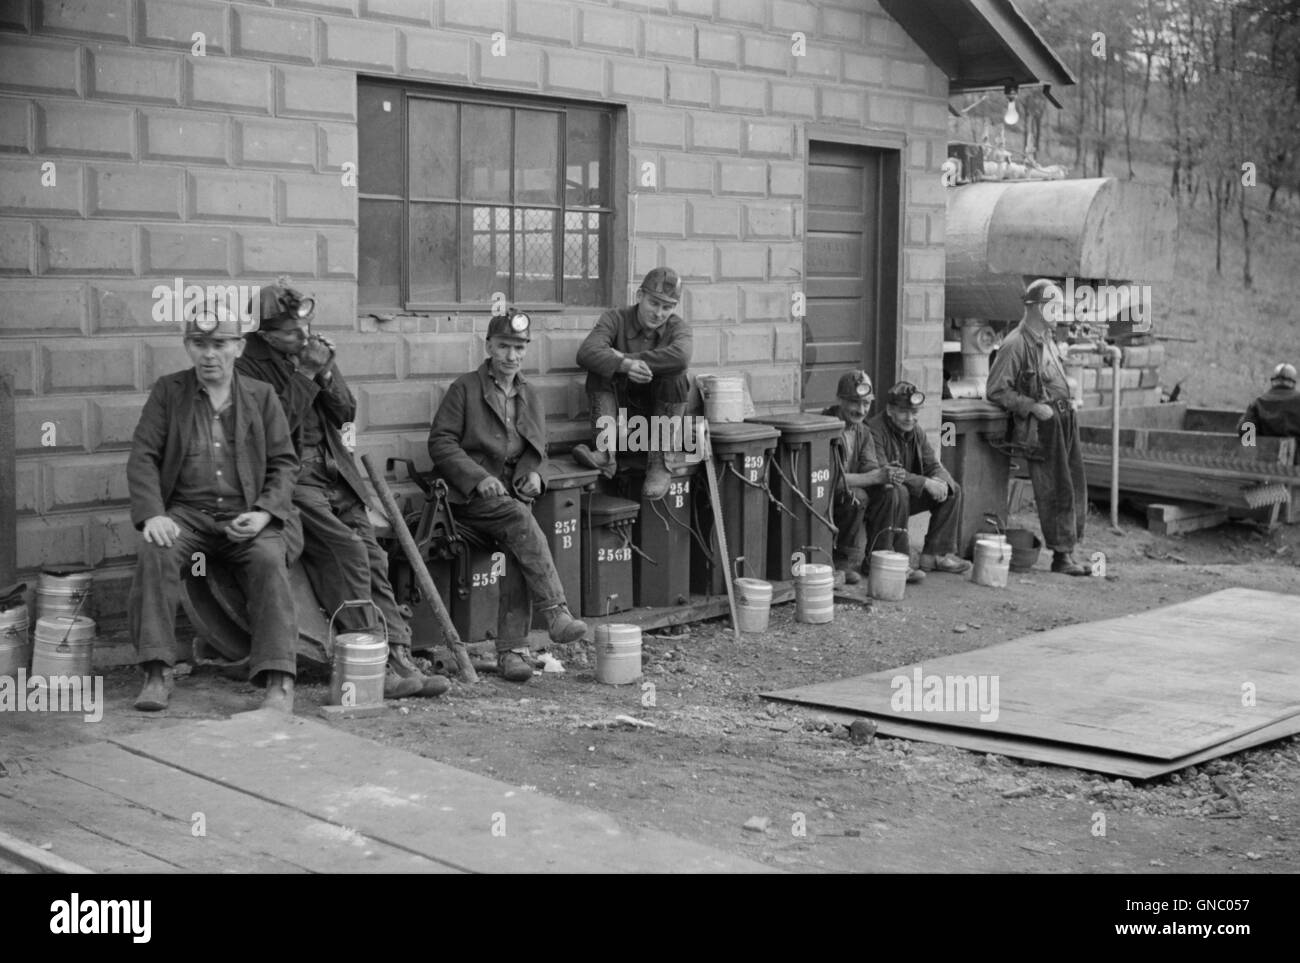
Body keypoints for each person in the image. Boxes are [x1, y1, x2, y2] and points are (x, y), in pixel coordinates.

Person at [236, 280, 445, 699]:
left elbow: (346, 411)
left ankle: (398, 654)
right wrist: (308, 372)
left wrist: (327, 370)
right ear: (265, 335)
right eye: (293, 331)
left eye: (307, 327)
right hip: (292, 480)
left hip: (337, 475)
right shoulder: (247, 370)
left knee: (372, 555)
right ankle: (367, 660)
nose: (305, 337)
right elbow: (273, 431)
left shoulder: (309, 351)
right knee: (345, 550)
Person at [126, 298, 299, 712]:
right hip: (188, 516)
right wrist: (153, 514)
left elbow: (284, 463)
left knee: (269, 563)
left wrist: (262, 513)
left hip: (246, 516)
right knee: (156, 552)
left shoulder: (262, 396)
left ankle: (278, 681)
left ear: (239, 347)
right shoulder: (170, 392)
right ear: (188, 346)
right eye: (199, 343)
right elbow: (144, 455)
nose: (209, 354)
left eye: (220, 343)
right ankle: (156, 672)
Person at [427, 309, 588, 682]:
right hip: (466, 503)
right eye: (503, 347)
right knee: (520, 522)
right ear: (488, 347)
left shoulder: (531, 395)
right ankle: (555, 614)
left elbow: (539, 450)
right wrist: (478, 477)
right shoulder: (464, 388)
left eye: (519, 348)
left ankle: (513, 653)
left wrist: (536, 476)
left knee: (519, 536)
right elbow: (441, 442)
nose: (511, 356)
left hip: (511, 503)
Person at [986, 278, 1089, 576]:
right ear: (1037, 308)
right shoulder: (1015, 344)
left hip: (1062, 419)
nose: (1058, 313)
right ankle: (1061, 557)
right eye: (1054, 307)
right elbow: (995, 390)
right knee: (1056, 488)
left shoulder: (1047, 339)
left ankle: (1069, 549)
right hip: (1040, 426)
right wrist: (1032, 406)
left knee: (1074, 485)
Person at [572, 267, 693, 499]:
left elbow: (681, 357)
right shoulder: (614, 318)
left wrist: (624, 359)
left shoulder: (678, 328)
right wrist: (625, 367)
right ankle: (604, 453)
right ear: (639, 296)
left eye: (667, 307)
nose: (659, 313)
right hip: (618, 417)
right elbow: (586, 352)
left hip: (655, 422)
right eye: (654, 303)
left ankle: (660, 463)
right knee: (600, 368)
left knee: (676, 377)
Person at [857, 381, 972, 583]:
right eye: (903, 412)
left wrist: (943, 481)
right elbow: (885, 473)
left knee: (953, 489)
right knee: (896, 491)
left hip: (905, 494)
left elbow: (932, 463)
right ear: (890, 410)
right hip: (880, 497)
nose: (910, 418)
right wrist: (926, 483)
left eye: (914, 412)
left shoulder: (915, 430)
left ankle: (936, 554)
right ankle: (881, 559)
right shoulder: (873, 429)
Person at [821, 370, 876, 585]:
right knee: (858, 495)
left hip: (843, 492)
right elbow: (832, 477)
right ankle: (841, 561)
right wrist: (874, 478)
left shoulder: (863, 431)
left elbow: (870, 465)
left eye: (867, 404)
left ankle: (881, 557)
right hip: (821, 495)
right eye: (854, 403)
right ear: (839, 400)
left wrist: (884, 475)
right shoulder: (825, 426)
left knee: (890, 492)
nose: (861, 410)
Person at [1239, 363, 1300, 438]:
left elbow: (1244, 430)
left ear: (1273, 381)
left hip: (1264, 448)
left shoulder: (1258, 402)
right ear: (1293, 383)